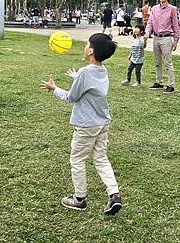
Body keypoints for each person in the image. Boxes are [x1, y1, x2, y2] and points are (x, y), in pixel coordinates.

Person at [40, 33, 122, 216]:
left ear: (91, 51)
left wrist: (54, 88)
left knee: (77, 159)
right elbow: (91, 86)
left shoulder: (85, 72)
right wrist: (77, 76)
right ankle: (114, 195)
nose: (84, 47)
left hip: (86, 126)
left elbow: (71, 97)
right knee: (100, 159)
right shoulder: (102, 71)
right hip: (102, 123)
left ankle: (79, 199)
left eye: (86, 44)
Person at [144, 0, 180, 93]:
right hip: (156, 37)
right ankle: (159, 82)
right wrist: (147, 32)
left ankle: (171, 85)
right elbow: (150, 22)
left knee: (167, 62)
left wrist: (175, 40)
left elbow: (176, 25)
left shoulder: (172, 9)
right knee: (157, 62)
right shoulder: (154, 9)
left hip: (166, 38)